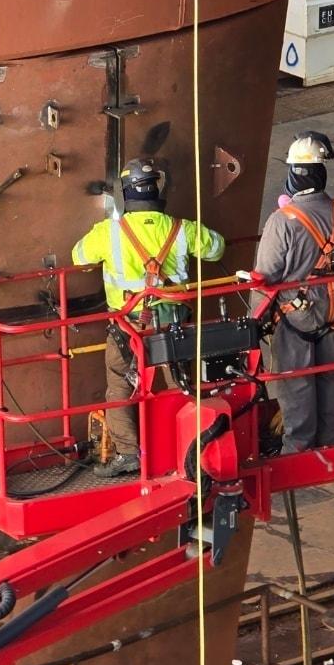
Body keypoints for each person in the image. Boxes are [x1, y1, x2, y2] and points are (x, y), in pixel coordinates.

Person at [71, 157, 226, 477]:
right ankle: (190, 446)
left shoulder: (108, 232)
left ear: (126, 194)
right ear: (157, 190)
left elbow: (79, 257)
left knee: (119, 386)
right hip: (172, 326)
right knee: (180, 384)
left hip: (128, 327)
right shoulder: (182, 229)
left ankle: (129, 454)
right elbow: (218, 249)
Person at [249, 131, 334, 454]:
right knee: (327, 381)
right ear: (321, 172)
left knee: (296, 385)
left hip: (294, 320)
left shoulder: (282, 222)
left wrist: (253, 324)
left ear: (292, 175)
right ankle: (328, 443)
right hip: (331, 315)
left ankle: (297, 449)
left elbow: (264, 277)